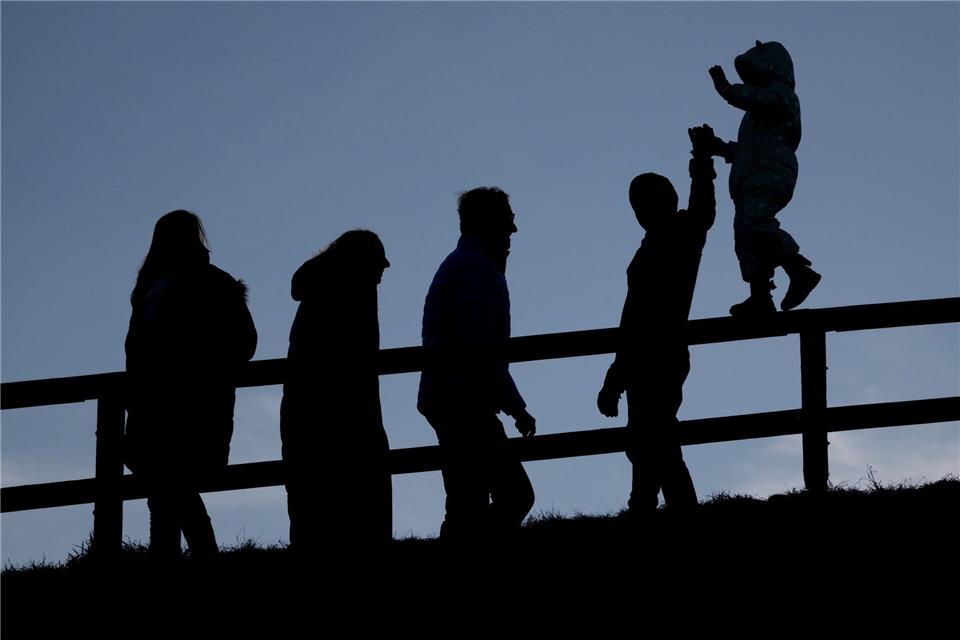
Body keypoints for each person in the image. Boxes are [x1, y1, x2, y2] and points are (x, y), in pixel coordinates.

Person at [597, 126, 718, 515]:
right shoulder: (649, 247)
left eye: (646, 201)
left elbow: (703, 211)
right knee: (648, 441)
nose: (640, 210)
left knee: (655, 441)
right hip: (642, 358)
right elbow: (631, 316)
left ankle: (661, 508)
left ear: (667, 201)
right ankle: (647, 507)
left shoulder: (682, 232)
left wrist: (701, 161)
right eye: (636, 204)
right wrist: (616, 376)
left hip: (660, 355)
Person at [125, 209, 257, 558]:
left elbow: (244, 343)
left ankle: (184, 557)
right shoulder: (163, 287)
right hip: (171, 407)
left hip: (185, 408)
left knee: (168, 487)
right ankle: (191, 557)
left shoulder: (161, 287)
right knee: (168, 488)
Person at [417, 187, 536, 542]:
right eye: (507, 220)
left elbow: (484, 348)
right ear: (489, 222)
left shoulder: (469, 266)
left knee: (466, 500)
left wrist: (513, 404)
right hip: (462, 398)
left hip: (454, 396)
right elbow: (481, 347)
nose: (513, 230)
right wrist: (514, 405)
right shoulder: (476, 270)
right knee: (511, 494)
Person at [280, 230, 392, 553]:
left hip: (304, 414)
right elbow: (359, 366)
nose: (381, 277)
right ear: (363, 263)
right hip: (348, 416)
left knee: (310, 509)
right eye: (378, 268)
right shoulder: (355, 293)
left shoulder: (319, 289)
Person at [707, 40, 820, 316]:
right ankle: (760, 296)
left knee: (757, 225)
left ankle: (798, 270)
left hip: (771, 169)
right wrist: (719, 146)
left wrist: (726, 89)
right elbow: (746, 147)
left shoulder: (781, 96)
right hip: (749, 176)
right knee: (745, 235)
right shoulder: (755, 116)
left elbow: (760, 99)